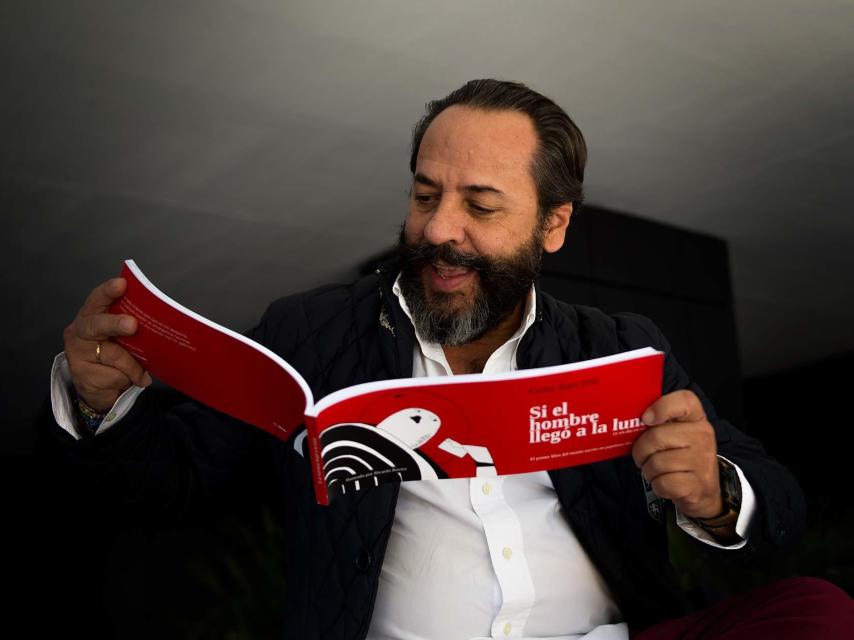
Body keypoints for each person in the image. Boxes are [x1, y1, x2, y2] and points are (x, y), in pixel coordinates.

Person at [44, 79, 851, 639]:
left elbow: (777, 503)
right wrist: (97, 401)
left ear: (554, 224)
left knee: (818, 608)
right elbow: (171, 478)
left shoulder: (620, 346)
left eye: (481, 205)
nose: (437, 230)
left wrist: (714, 492)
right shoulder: (311, 329)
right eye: (426, 195)